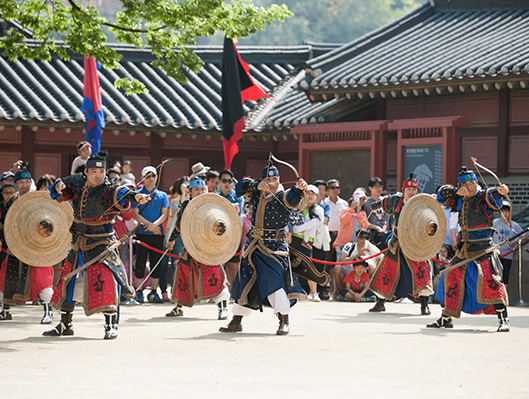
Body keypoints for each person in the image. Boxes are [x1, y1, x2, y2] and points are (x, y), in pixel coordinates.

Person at [43, 154, 150, 339]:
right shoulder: (77, 181)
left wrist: (136, 196)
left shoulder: (107, 188)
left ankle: (110, 326)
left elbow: (121, 193)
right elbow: (61, 187)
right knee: (68, 281)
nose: (98, 175)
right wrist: (58, 186)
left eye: (101, 172)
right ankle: (65, 324)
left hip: (102, 243)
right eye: (94, 171)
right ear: (86, 172)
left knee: (106, 280)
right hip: (78, 241)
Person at [219, 160, 308, 335]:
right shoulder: (256, 193)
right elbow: (240, 187)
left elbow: (294, 197)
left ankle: (284, 319)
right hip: (253, 245)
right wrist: (256, 185)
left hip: (274, 248)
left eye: (275, 179)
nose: (272, 182)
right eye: (268, 179)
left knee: (274, 281)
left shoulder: (284, 195)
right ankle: (237, 320)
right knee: (243, 281)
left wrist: (300, 188)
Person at [427, 167, 510, 332]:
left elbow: (493, 195)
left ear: (476, 182)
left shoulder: (483, 196)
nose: (469, 186)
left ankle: (504, 319)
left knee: (490, 280)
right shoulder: (459, 199)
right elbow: (441, 195)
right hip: (464, 249)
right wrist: (457, 191)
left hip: (483, 248)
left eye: (472, 182)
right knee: (450, 277)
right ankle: (446, 318)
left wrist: (500, 192)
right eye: (465, 183)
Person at [368, 174, 434, 315]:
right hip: (397, 242)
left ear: (417, 191)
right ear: (403, 190)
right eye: (408, 189)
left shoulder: (421, 202)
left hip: (417, 243)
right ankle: (380, 303)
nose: (411, 192)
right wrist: (375, 205)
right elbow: (384, 202)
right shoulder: (396, 200)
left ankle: (424, 305)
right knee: (386, 271)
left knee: (422, 271)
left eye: (413, 189)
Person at [165, 177, 230, 320]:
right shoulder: (186, 205)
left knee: (215, 276)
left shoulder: (213, 203)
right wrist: (171, 240)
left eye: (202, 189)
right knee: (183, 276)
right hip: (190, 247)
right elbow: (178, 225)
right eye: (196, 190)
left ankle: (222, 308)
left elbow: (223, 223)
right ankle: (178, 307)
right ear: (190, 192)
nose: (200, 192)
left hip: (209, 247)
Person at [0, 170, 55, 323]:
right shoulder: (12, 200)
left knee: (41, 279)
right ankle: (5, 311)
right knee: (7, 278)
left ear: (31, 183)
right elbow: (5, 224)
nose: (24, 185)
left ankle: (48, 312)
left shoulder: (39, 199)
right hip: (16, 247)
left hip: (37, 247)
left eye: (27, 182)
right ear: (16, 184)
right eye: (20, 183)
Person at [131, 166, 169, 303]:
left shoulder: (162, 195)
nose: (151, 179)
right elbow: (135, 213)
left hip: (157, 234)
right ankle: (139, 291)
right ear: (142, 178)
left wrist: (155, 225)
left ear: (156, 177)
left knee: (156, 263)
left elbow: (165, 213)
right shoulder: (137, 194)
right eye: (148, 176)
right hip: (143, 233)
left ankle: (154, 291)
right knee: (140, 263)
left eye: (153, 176)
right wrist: (150, 225)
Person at [290, 184, 325, 302]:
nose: (310, 196)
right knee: (292, 265)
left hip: (306, 241)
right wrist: (292, 231)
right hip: (293, 239)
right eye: (308, 193)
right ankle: (294, 291)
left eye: (313, 194)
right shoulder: (297, 206)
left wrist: (297, 229)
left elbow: (314, 223)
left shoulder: (318, 209)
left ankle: (315, 293)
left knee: (308, 266)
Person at [334, 228, 384, 298]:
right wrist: (357, 255)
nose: (364, 240)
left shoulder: (371, 248)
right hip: (347, 275)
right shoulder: (350, 246)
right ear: (356, 238)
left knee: (373, 266)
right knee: (337, 267)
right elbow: (341, 260)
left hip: (363, 277)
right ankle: (342, 291)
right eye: (361, 237)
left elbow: (382, 257)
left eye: (366, 238)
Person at [163, 176, 190, 301]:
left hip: (189, 235)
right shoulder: (175, 201)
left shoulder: (193, 200)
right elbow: (181, 212)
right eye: (184, 185)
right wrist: (184, 195)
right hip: (177, 235)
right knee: (176, 264)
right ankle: (174, 292)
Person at [218, 169, 244, 286]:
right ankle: (219, 291)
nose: (227, 183)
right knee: (220, 264)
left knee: (234, 265)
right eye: (224, 180)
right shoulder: (216, 198)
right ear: (219, 182)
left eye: (229, 181)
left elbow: (236, 216)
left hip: (234, 235)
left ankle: (235, 292)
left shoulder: (238, 197)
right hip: (219, 235)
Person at [492, 201, 525, 288]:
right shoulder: (495, 222)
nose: (505, 214)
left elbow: (524, 236)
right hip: (496, 253)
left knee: (505, 275)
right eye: (503, 211)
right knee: (494, 274)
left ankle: (504, 296)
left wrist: (515, 241)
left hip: (508, 254)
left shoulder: (514, 225)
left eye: (507, 211)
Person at [311, 180, 331, 300]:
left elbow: (325, 219)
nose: (321, 192)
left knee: (320, 265)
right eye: (319, 189)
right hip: (308, 238)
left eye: (323, 190)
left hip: (321, 238)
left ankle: (320, 290)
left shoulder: (325, 206)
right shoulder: (307, 204)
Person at [324, 179, 348, 262]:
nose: (335, 190)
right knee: (327, 260)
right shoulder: (324, 203)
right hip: (327, 235)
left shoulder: (344, 204)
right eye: (333, 188)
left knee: (339, 262)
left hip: (340, 236)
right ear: (327, 190)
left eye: (337, 187)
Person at [363, 177, 390, 248]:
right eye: (376, 187)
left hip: (386, 234)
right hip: (373, 235)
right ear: (370, 188)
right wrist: (376, 228)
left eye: (380, 186)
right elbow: (364, 221)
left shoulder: (385, 201)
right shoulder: (366, 203)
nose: (379, 189)